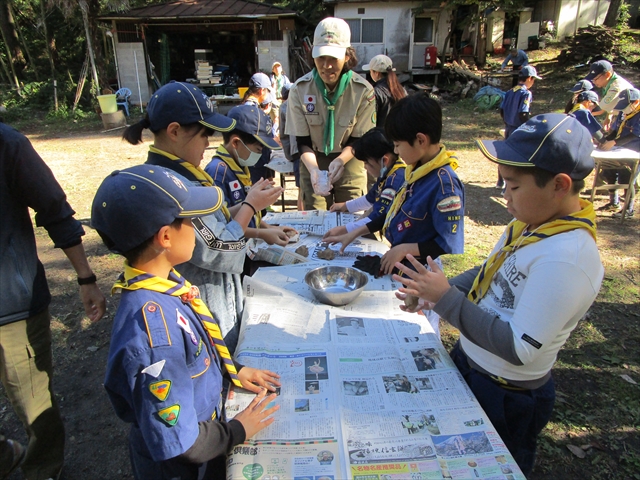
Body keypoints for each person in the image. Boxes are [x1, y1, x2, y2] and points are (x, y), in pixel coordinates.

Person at [393, 113, 604, 476]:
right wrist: (436, 290)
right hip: (472, 365)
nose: (504, 197)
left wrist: (447, 300)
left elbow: (519, 348)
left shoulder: (566, 258)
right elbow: (490, 272)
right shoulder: (531, 224)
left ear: (559, 184)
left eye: (513, 186)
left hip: (508, 395)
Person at [91, 164, 281, 479]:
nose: (198, 228)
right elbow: (182, 443)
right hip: (184, 466)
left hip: (206, 428)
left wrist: (231, 370)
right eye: (192, 221)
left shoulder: (168, 285)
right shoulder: (154, 337)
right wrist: (236, 430)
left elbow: (195, 353)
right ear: (166, 236)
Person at [122, 81, 283, 353]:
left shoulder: (185, 174)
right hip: (204, 300)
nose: (208, 143)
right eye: (204, 134)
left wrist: (246, 204)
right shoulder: (174, 186)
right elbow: (217, 248)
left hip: (218, 294)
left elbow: (214, 220)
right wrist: (249, 208)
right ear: (174, 131)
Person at [0, 121, 106, 479]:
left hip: (11, 309)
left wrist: (86, 277)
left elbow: (54, 209)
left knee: (34, 403)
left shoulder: (7, 145)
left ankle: (44, 468)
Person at [324, 95, 464, 338]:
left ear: (420, 140)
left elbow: (447, 243)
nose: (396, 151)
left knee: (422, 330)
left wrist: (405, 249)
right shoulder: (416, 171)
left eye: (398, 145)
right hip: (402, 260)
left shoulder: (444, 185)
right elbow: (385, 211)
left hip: (424, 271)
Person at [286, 17, 376, 210]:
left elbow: (359, 139)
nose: (326, 66)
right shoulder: (300, 89)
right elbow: (302, 141)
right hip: (313, 159)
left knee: (353, 217)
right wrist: (314, 171)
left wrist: (340, 161)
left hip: (351, 159)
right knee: (315, 218)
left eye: (333, 58)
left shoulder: (363, 91)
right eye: (321, 58)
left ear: (347, 56)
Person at [205, 103, 295, 245]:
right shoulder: (217, 172)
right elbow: (221, 222)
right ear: (236, 142)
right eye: (258, 150)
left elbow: (249, 215)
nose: (259, 155)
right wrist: (262, 234)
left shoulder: (241, 166)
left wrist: (269, 228)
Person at [325, 128, 406, 236]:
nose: (365, 167)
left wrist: (345, 230)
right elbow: (370, 198)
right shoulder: (388, 173)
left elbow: (377, 217)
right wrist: (345, 206)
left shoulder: (394, 181)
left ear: (384, 160)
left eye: (367, 163)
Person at [598, 87, 640, 218]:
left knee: (627, 177)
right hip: (620, 149)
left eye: (626, 105)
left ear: (636, 102)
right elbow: (616, 130)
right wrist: (606, 140)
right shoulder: (623, 112)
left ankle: (628, 209)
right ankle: (613, 202)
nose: (624, 109)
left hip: (635, 150)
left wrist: (614, 143)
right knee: (608, 171)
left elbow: (635, 135)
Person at [498, 65, 542, 188]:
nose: (533, 83)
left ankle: (500, 181)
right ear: (529, 78)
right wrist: (529, 127)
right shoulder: (526, 93)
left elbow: (501, 110)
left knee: (505, 154)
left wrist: (507, 121)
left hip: (508, 127)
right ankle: (510, 185)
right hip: (518, 128)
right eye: (533, 79)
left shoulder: (510, 91)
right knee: (516, 157)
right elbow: (523, 112)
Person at [583, 59, 634, 128]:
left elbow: (601, 108)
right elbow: (613, 102)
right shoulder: (609, 83)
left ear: (607, 74)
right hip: (626, 115)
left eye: (595, 79)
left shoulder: (616, 88)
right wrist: (609, 116)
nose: (594, 82)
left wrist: (583, 114)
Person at [362, 54, 407, 128]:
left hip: (382, 136)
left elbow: (371, 121)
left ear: (377, 73)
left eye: (370, 71)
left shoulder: (375, 92)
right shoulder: (402, 90)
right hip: (400, 135)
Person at [279, 84, 303, 211]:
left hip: (298, 152)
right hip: (318, 151)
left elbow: (284, 135)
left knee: (302, 190)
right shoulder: (307, 100)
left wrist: (290, 155)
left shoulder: (284, 107)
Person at [270, 61, 291, 131]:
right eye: (275, 67)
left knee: (284, 117)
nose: (277, 68)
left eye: (278, 67)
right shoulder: (271, 79)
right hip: (274, 100)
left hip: (283, 100)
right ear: (273, 70)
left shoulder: (285, 78)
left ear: (281, 68)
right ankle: (275, 133)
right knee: (276, 118)